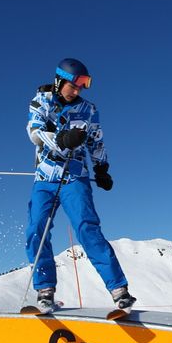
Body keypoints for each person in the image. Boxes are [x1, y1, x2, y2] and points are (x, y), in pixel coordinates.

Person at [24, 57, 135, 312]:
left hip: (74, 177)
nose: (78, 90)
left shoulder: (88, 109)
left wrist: (102, 168)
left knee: (87, 228)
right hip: (45, 178)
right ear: (59, 81)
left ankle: (120, 291)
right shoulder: (41, 101)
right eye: (74, 85)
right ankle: (45, 291)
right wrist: (62, 138)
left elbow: (96, 141)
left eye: (82, 85)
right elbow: (35, 131)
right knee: (36, 231)